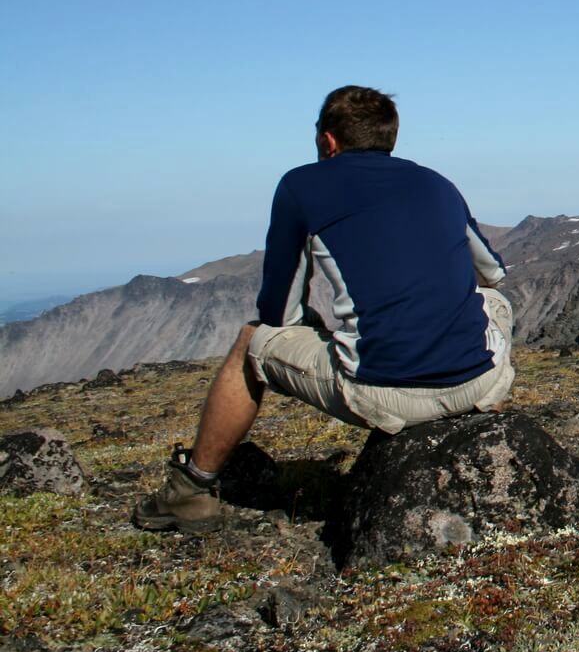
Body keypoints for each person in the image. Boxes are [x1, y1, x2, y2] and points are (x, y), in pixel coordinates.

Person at [133, 86, 514, 531]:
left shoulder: (302, 187)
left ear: (328, 140)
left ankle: (190, 490)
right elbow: (492, 272)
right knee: (493, 300)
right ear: (389, 136)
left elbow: (279, 314)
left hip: (382, 393)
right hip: (479, 381)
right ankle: (478, 417)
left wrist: (312, 328)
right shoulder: (437, 183)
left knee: (251, 341)